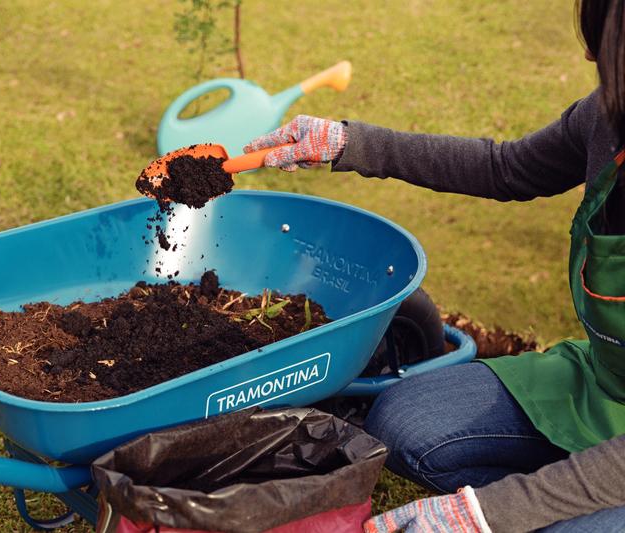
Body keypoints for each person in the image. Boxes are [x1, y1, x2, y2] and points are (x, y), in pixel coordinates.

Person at [244, 1, 625, 531]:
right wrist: (352, 143)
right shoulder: (609, 119)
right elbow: (506, 168)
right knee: (405, 424)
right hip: (607, 388)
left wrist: (486, 513)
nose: (588, 57)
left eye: (603, 48)